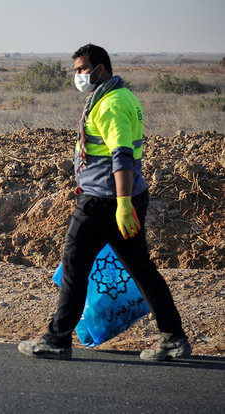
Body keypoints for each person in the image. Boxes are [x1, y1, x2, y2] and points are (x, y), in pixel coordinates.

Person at [18, 44, 191, 362]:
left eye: (82, 69)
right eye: (75, 70)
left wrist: (122, 203)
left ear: (100, 69)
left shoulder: (110, 103)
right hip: (120, 197)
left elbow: (122, 156)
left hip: (104, 203)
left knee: (74, 266)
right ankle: (173, 337)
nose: (78, 76)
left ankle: (56, 339)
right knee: (141, 268)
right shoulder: (121, 96)